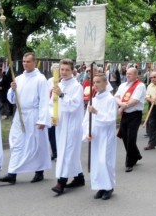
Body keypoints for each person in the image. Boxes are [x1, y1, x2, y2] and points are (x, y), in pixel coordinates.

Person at [0, 52, 51, 185]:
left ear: (35, 62)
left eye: (28, 61)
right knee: (16, 142)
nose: (25, 64)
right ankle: (12, 174)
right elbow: (12, 100)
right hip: (20, 114)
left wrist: (43, 120)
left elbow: (44, 100)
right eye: (24, 61)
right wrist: (12, 90)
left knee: (35, 144)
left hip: (34, 114)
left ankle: (39, 171)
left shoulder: (40, 79)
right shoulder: (19, 78)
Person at [49, 59, 85, 196]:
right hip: (61, 124)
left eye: (67, 70)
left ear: (72, 71)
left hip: (72, 124)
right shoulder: (57, 85)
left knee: (67, 152)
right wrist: (52, 115)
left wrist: (62, 95)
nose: (64, 72)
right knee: (67, 151)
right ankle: (79, 178)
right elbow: (52, 103)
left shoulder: (77, 87)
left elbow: (74, 105)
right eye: (62, 69)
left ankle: (61, 182)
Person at [83, 74, 117, 200]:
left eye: (98, 82)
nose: (95, 85)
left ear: (105, 83)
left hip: (106, 135)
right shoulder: (93, 100)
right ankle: (100, 186)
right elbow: (86, 119)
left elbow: (111, 118)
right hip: (95, 135)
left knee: (105, 161)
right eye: (94, 82)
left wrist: (97, 112)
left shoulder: (110, 99)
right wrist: (87, 132)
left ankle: (109, 187)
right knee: (96, 162)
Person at [115, 67, 146, 172]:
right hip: (125, 114)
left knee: (131, 138)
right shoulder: (122, 85)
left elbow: (135, 100)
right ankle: (136, 155)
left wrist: (122, 107)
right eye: (127, 73)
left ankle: (129, 163)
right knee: (125, 137)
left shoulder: (140, 85)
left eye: (130, 74)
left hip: (135, 114)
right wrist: (120, 104)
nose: (127, 75)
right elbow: (116, 96)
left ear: (136, 75)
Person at [46, 63, 60, 161]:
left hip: (58, 109)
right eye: (53, 70)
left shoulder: (62, 81)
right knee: (51, 133)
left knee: (57, 133)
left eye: (57, 70)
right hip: (50, 109)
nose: (55, 72)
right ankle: (54, 152)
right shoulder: (49, 81)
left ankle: (59, 152)